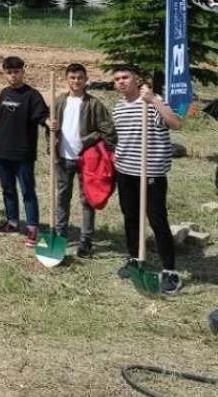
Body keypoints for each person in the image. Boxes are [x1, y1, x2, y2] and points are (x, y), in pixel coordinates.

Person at [110, 64, 183, 295]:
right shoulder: (119, 108)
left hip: (151, 171)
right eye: (117, 78)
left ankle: (170, 272)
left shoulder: (153, 102)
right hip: (126, 171)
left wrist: (153, 101)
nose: (121, 81)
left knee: (157, 220)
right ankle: (133, 258)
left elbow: (176, 123)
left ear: (137, 78)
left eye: (125, 77)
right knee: (130, 217)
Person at [47, 62, 116, 259]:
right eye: (72, 77)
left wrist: (89, 142)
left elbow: (108, 130)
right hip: (63, 158)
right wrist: (51, 141)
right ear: (67, 79)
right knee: (62, 197)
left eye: (80, 78)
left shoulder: (94, 104)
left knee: (87, 199)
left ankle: (86, 238)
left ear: (86, 80)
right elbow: (49, 130)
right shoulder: (59, 102)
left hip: (87, 160)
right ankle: (61, 233)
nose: (76, 81)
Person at [0, 56, 49, 246]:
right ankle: (12, 223)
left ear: (23, 72)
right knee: (8, 189)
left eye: (16, 72)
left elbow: (42, 115)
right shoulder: (4, 93)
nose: (13, 75)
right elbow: (0, 116)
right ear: (5, 74)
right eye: (9, 72)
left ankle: (32, 229)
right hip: (3, 151)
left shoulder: (32, 95)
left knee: (28, 191)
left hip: (23, 153)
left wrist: (48, 122)